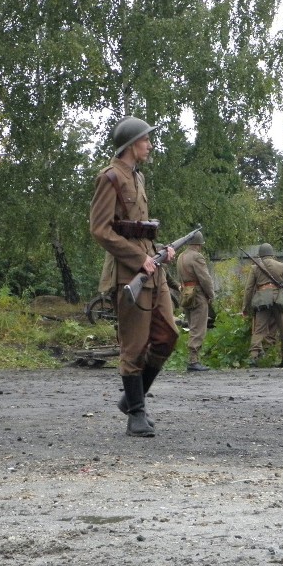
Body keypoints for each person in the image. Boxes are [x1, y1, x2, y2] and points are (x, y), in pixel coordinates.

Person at [89, 116, 179, 438]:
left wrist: (159, 250)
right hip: (129, 273)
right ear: (131, 145)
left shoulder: (138, 177)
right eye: (146, 140)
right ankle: (137, 414)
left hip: (152, 269)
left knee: (167, 335)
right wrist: (138, 258)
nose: (150, 145)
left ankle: (131, 398)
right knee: (134, 345)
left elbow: (139, 227)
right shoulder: (110, 178)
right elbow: (100, 230)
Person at [242, 243, 283, 368]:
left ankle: (253, 357)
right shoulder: (281, 265)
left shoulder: (255, 268)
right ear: (272, 254)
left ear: (261, 255)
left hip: (262, 300)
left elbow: (249, 289)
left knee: (259, 330)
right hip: (279, 299)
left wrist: (245, 307)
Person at [176, 231, 215, 372]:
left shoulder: (181, 256)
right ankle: (193, 360)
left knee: (193, 326)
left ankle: (193, 359)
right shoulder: (197, 257)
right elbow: (205, 278)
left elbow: (181, 278)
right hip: (198, 295)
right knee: (198, 329)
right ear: (199, 244)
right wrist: (211, 295)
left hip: (186, 294)